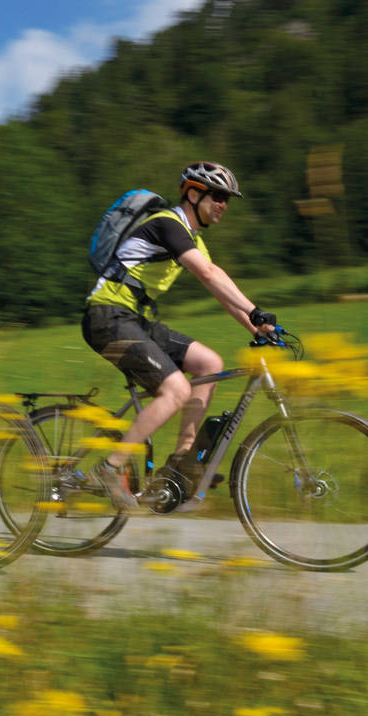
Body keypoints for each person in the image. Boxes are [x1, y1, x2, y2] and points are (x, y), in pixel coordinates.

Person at [81, 161, 278, 510]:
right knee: (176, 390)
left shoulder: (192, 240)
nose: (223, 205)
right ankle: (110, 468)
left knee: (209, 363)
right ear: (192, 193)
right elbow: (208, 273)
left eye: (227, 200)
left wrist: (259, 328)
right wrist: (254, 309)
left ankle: (182, 462)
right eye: (217, 196)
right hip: (106, 317)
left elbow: (219, 290)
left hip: (134, 319)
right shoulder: (167, 225)